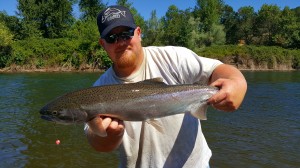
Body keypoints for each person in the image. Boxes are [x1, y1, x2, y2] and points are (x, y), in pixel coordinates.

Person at [84, 5, 247, 168]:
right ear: (102, 44)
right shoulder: (98, 89)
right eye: (112, 38)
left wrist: (236, 83)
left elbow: (218, 70)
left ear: (138, 33)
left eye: (126, 34)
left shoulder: (173, 58)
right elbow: (97, 143)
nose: (120, 42)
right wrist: (108, 136)